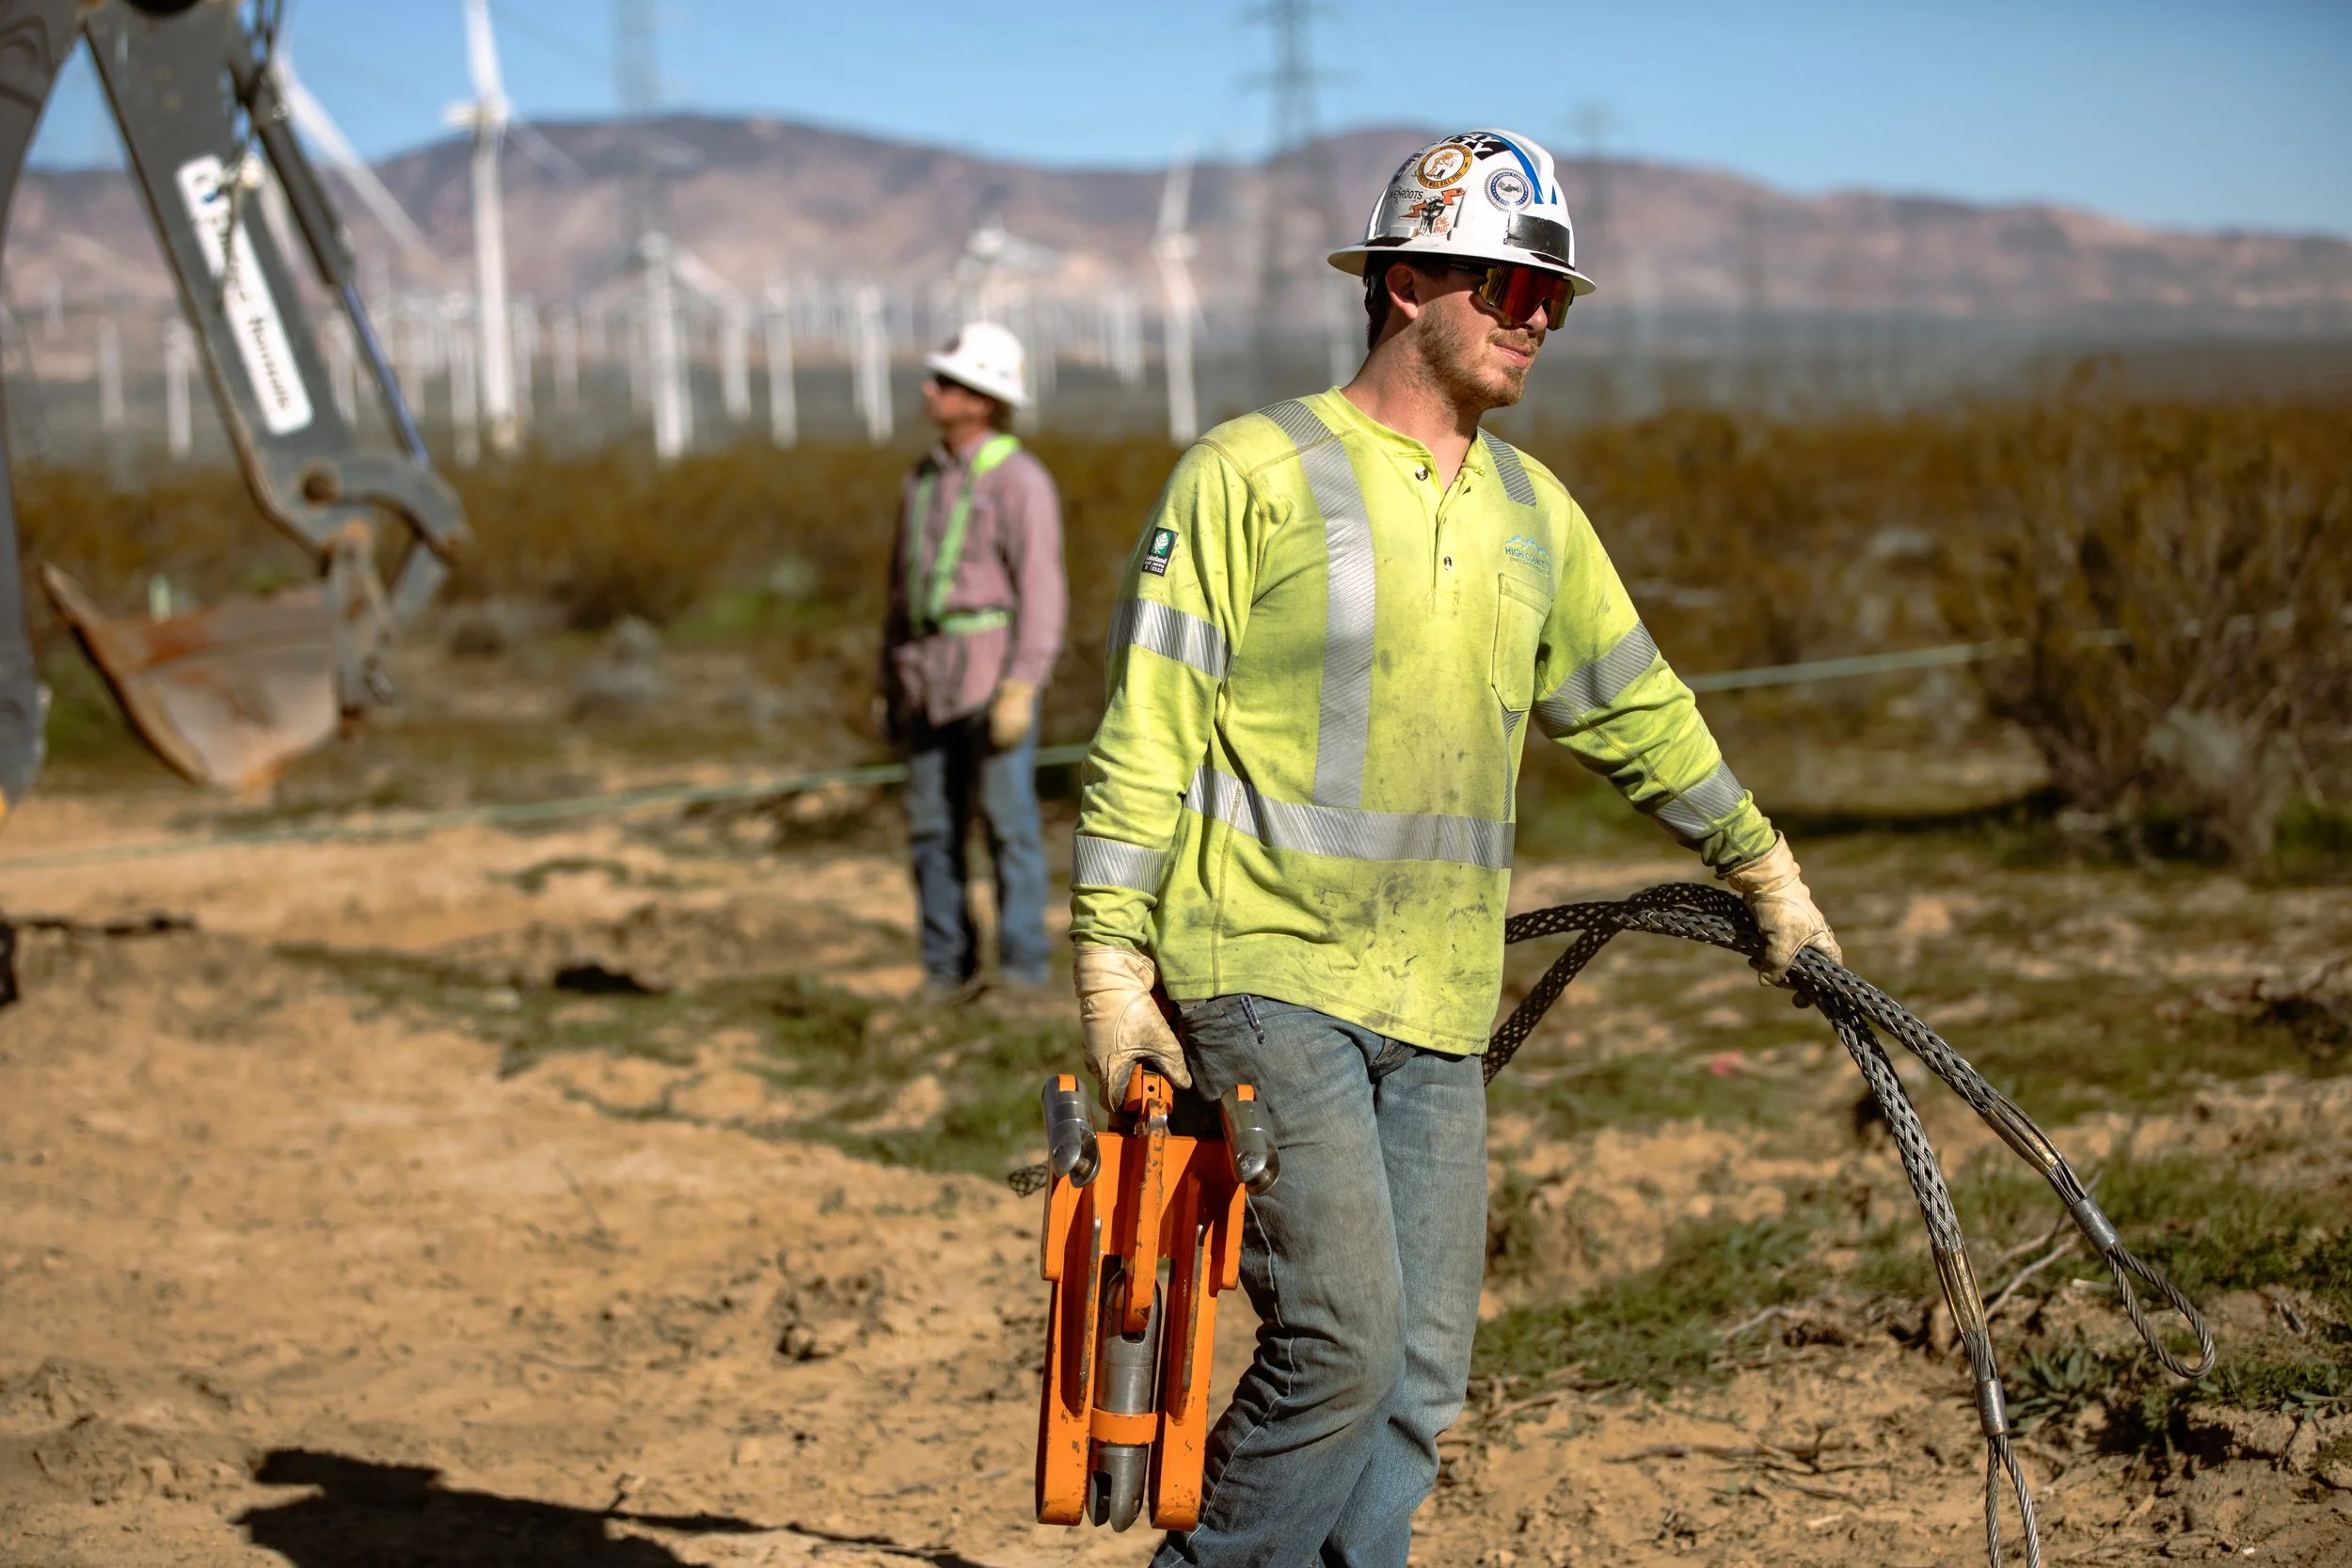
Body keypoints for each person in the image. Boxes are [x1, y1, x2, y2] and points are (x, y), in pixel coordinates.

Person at [1066, 130, 1840, 1564]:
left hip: (1436, 996)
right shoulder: (1250, 473)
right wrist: (1113, 962)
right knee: (1343, 1351)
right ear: (1409, 278)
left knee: (1422, 1378)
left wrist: (1760, 864)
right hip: (1264, 972)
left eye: (1553, 295)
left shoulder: (1535, 515)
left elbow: (1636, 707)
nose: (1537, 317)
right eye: (1505, 285)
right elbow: (1147, 731)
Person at [881, 322, 1066, 998]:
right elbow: (900, 589)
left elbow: (1043, 591)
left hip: (992, 679)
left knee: (1009, 828)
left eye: (948, 381)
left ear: (984, 398)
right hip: (926, 678)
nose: (931, 390)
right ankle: (946, 969)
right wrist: (888, 679)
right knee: (932, 830)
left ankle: (1021, 972)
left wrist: (1023, 684)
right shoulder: (921, 479)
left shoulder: (1021, 481)